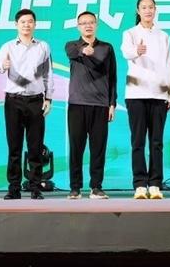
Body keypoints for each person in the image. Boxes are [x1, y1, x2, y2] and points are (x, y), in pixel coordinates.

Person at [0, 8, 53, 200]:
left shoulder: (43, 46)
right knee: (14, 147)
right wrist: (3, 66)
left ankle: (35, 187)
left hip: (36, 100)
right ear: (16, 25)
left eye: (30, 22)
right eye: (23, 22)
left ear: (35, 24)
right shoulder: (8, 46)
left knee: (35, 146)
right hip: (14, 101)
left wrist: (48, 98)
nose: (26, 25)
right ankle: (14, 188)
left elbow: (48, 74)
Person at [120, 0, 170, 200]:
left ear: (155, 9)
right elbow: (125, 52)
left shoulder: (164, 36)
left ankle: (155, 184)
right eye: (144, 7)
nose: (148, 11)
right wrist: (137, 50)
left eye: (151, 7)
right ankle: (140, 184)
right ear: (138, 10)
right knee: (138, 142)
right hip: (136, 94)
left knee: (157, 142)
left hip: (159, 95)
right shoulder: (130, 33)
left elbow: (169, 65)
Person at [64, 11, 117, 200]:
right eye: (83, 23)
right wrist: (83, 51)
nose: (88, 26)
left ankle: (96, 187)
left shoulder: (106, 48)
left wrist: (112, 103)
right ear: (78, 26)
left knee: (98, 149)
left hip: (100, 105)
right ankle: (75, 188)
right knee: (76, 148)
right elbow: (72, 53)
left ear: (96, 25)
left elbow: (112, 77)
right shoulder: (72, 46)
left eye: (91, 22)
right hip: (77, 104)